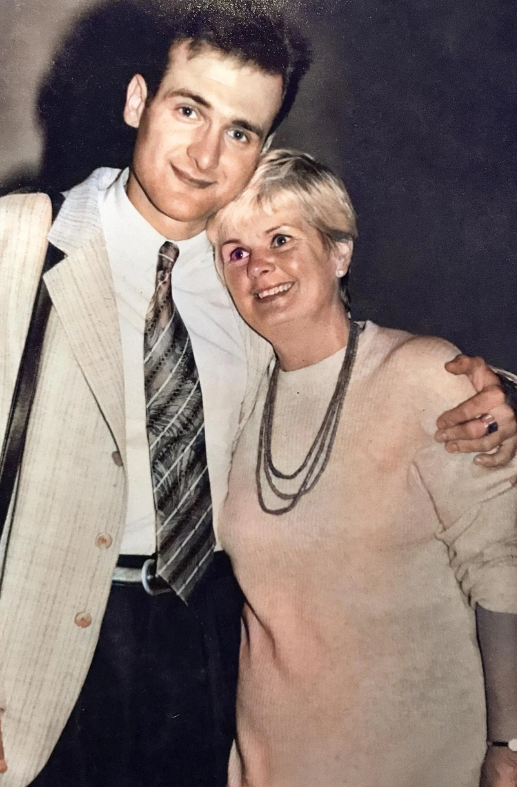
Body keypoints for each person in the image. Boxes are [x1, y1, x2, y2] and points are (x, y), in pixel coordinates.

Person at [0, 0, 515, 787]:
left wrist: (495, 397)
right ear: (138, 100)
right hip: (32, 655)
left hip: (208, 656)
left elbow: (357, 375)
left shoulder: (254, 283)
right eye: (189, 110)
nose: (206, 154)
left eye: (240, 132)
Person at [207, 148, 517, 787]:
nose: (259, 266)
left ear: (339, 253)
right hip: (273, 762)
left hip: (421, 761)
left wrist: (509, 744)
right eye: (236, 252)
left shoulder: (424, 375)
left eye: (281, 239)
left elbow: (503, 573)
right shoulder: (232, 399)